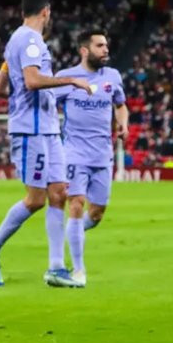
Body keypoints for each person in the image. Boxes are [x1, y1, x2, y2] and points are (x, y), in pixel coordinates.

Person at [0, 0, 92, 287]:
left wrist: (10, 69)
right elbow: (31, 81)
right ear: (46, 12)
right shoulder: (29, 40)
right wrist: (71, 79)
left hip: (48, 129)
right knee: (36, 198)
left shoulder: (15, 40)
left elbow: (0, 89)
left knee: (59, 192)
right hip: (32, 130)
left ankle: (55, 268)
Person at [51, 30, 129, 288]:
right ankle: (79, 270)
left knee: (96, 214)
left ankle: (72, 233)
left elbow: (120, 105)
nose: (106, 49)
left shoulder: (113, 77)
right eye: (100, 45)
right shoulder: (65, 78)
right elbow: (47, 104)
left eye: (106, 45)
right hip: (73, 153)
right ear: (85, 50)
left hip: (103, 155)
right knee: (76, 204)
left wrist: (123, 124)